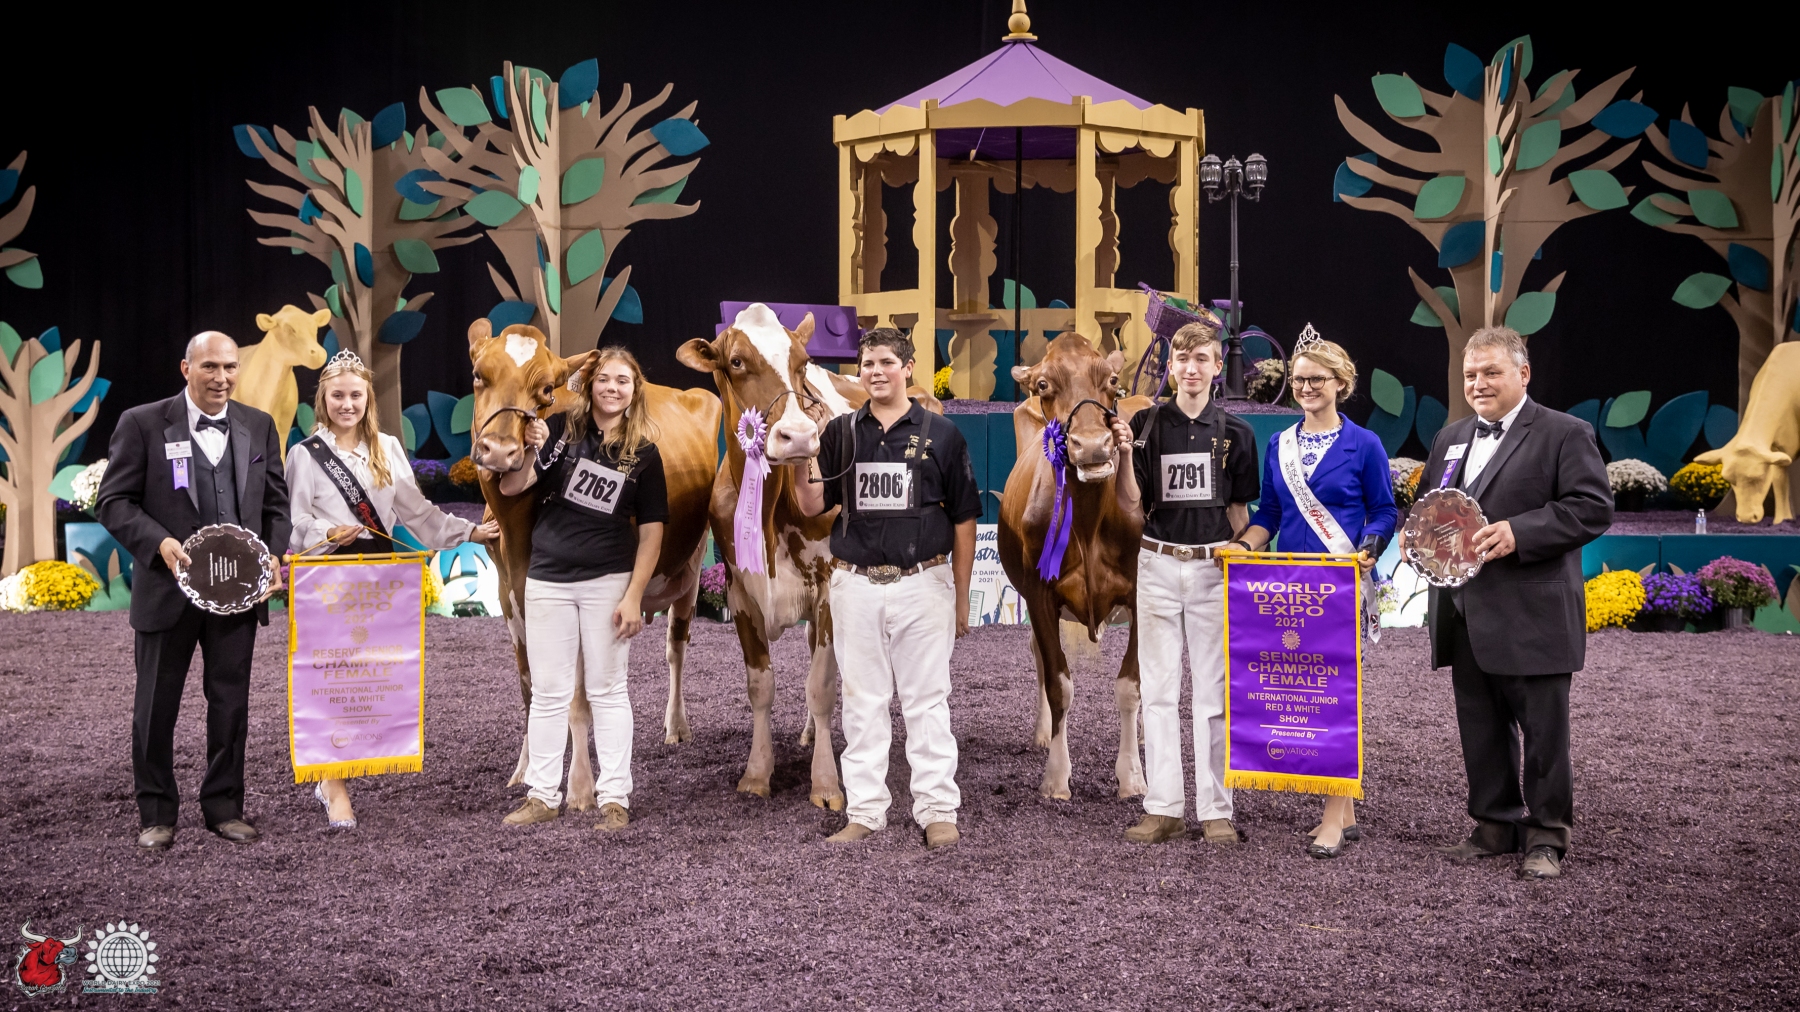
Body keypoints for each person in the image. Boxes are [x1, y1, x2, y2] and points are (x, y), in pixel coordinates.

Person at [1408, 326, 1610, 880]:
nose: (1479, 383)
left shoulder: (1565, 432)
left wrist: (1521, 532)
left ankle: (1546, 837)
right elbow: (1433, 508)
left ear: (1523, 373)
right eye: (1470, 374)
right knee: (1481, 728)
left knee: (1545, 735)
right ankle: (1494, 826)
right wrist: (1421, 540)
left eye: (1491, 372)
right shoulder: (1449, 438)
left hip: (1533, 613)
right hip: (1464, 612)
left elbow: (1592, 507)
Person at [285, 349, 501, 829]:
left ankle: (350, 760)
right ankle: (331, 781)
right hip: (327, 578)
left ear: (368, 398)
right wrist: (326, 531)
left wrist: (469, 531)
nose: (347, 404)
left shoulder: (386, 447)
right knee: (329, 679)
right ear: (323, 399)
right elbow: (295, 524)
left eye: (355, 395)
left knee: (370, 678)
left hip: (378, 579)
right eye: (337, 396)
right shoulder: (305, 454)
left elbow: (417, 513)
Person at [95, 331, 290, 852]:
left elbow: (276, 505)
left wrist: (274, 555)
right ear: (186, 369)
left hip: (237, 597)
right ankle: (156, 813)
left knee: (230, 705)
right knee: (155, 707)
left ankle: (224, 807)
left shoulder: (259, 425)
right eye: (210, 367)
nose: (221, 377)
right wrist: (157, 542)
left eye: (230, 367)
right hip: (167, 593)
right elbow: (113, 502)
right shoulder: (141, 423)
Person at [794, 327, 980, 850]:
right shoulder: (841, 433)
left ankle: (937, 810)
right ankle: (865, 811)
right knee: (862, 701)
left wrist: (961, 595)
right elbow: (812, 505)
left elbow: (965, 518)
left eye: (885, 363)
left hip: (923, 582)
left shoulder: (943, 434)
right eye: (868, 364)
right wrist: (803, 453)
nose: (875, 372)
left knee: (927, 701)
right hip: (855, 583)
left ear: (908, 368)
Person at [1221, 330, 1397, 858]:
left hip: (1340, 585)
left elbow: (1384, 510)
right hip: (1290, 590)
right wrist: (1241, 545)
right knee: (1303, 694)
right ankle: (1347, 811)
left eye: (1316, 379)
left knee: (1335, 699)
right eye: (1298, 380)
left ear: (1341, 383)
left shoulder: (1365, 444)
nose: (1305, 388)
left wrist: (1370, 546)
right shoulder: (1280, 444)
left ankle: (1332, 819)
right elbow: (1271, 515)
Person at [1104, 316, 1260, 848]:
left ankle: (1216, 810)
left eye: (1201, 360)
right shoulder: (1146, 424)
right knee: (1159, 691)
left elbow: (1239, 512)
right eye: (1182, 360)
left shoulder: (1238, 434)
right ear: (1169, 367)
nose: (1191, 369)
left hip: (1215, 568)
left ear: (1217, 367)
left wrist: (1241, 570)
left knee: (1214, 693)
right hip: (1157, 563)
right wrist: (1126, 454)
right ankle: (1164, 807)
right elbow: (1131, 502)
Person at [497, 347, 667, 831]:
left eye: (623, 381)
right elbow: (512, 487)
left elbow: (652, 532)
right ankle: (542, 795)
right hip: (547, 580)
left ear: (635, 391)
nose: (612, 388)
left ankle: (615, 798)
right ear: (590, 385)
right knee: (549, 693)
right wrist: (532, 448)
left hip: (608, 583)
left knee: (608, 690)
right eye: (604, 379)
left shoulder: (646, 455)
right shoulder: (559, 433)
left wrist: (634, 595)